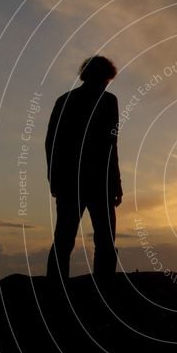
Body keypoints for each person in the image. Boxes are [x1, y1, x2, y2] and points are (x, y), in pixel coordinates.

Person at [45, 55, 122, 280]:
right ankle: (98, 288)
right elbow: (110, 144)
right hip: (85, 181)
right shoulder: (105, 101)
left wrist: (54, 178)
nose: (106, 84)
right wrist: (55, 178)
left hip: (80, 181)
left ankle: (62, 289)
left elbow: (52, 143)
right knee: (76, 239)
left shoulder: (68, 100)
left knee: (71, 239)